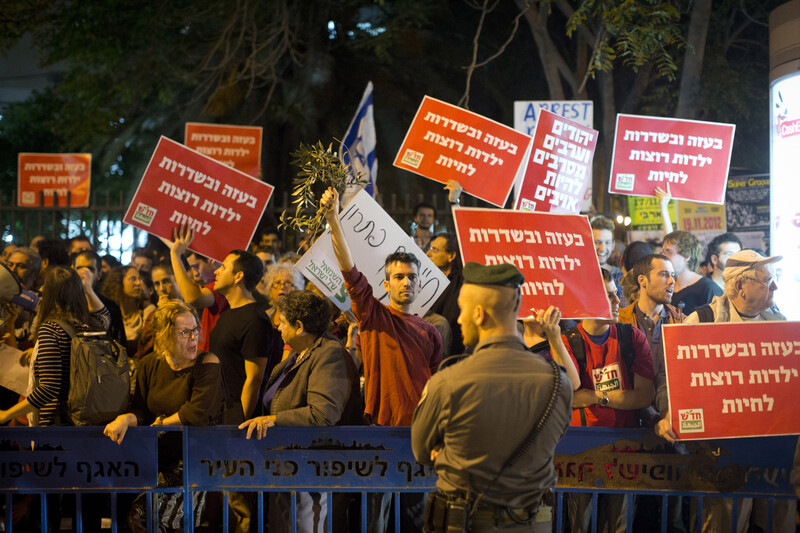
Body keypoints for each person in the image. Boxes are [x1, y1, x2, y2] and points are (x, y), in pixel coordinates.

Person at [412, 262, 572, 532]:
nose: (459, 319)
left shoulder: (448, 382)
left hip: (467, 523)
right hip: (533, 524)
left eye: (462, 310)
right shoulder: (559, 382)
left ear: (478, 314)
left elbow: (422, 451)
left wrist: (448, 451)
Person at [658, 250, 791, 532]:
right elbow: (673, 378)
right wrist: (671, 412)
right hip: (723, 453)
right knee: (724, 522)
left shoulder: (780, 323)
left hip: (773, 452)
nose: (775, 287)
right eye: (767, 281)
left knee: (778, 520)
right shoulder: (702, 321)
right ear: (740, 286)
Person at [239, 290, 362, 532]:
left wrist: (274, 419)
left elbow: (323, 413)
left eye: (283, 322)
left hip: (317, 472)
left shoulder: (329, 354)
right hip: (290, 468)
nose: (278, 327)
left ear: (299, 327)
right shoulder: (300, 354)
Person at [320, 186, 442, 426]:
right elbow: (349, 270)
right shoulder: (373, 316)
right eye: (399, 277)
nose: (406, 282)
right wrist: (333, 220)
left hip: (423, 427)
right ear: (386, 284)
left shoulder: (432, 332)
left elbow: (437, 387)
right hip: (381, 428)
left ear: (419, 284)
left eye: (412, 277)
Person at [103, 300, 222, 531]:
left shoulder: (207, 362)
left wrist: (160, 424)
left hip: (193, 461)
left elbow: (197, 412)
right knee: (131, 515)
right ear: (165, 335)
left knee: (143, 516)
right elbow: (141, 409)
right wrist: (125, 419)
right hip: (157, 459)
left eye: (195, 330)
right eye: (184, 332)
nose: (193, 337)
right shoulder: (149, 364)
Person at [564, 269, 654, 533]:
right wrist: (620, 398)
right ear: (585, 300)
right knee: (579, 526)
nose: (618, 301)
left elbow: (644, 395)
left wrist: (596, 397)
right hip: (579, 454)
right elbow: (567, 396)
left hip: (625, 452)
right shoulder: (568, 342)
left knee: (619, 526)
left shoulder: (632, 337)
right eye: (609, 295)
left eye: (617, 294)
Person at [0, 266, 111, 426]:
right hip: (84, 420)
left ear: (49, 293)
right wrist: (88, 288)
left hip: (57, 424)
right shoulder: (91, 324)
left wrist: (7, 414)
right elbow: (104, 315)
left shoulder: (51, 329)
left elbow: (48, 389)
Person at [169, 224, 228, 352]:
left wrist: (175, 255)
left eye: (197, 266)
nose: (195, 273)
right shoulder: (208, 285)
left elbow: (193, 298)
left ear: (211, 259)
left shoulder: (222, 285)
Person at [71, 250, 127, 349]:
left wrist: (88, 289)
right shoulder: (65, 303)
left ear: (99, 275)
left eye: (90, 269)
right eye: (79, 268)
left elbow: (119, 343)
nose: (84, 273)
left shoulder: (110, 307)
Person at [662, 231, 722, 315]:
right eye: (663, 252)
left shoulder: (709, 289)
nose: (663, 257)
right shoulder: (665, 287)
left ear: (686, 256)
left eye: (669, 252)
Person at [100, 266, 156, 355]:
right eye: (133, 279)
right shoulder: (111, 312)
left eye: (139, 279)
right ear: (119, 282)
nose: (139, 283)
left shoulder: (148, 310)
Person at [426, 232, 465, 357]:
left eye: (435, 250)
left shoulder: (461, 284)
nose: (428, 253)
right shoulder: (424, 279)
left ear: (451, 256)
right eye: (429, 248)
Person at [135, 263, 182, 358]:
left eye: (166, 281)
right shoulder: (153, 315)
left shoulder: (191, 308)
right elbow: (151, 351)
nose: (162, 288)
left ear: (177, 279)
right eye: (157, 284)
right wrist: (162, 313)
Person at [591, 216, 623, 300]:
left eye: (607, 243)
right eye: (597, 242)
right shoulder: (580, 274)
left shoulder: (620, 276)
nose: (602, 249)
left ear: (613, 245)